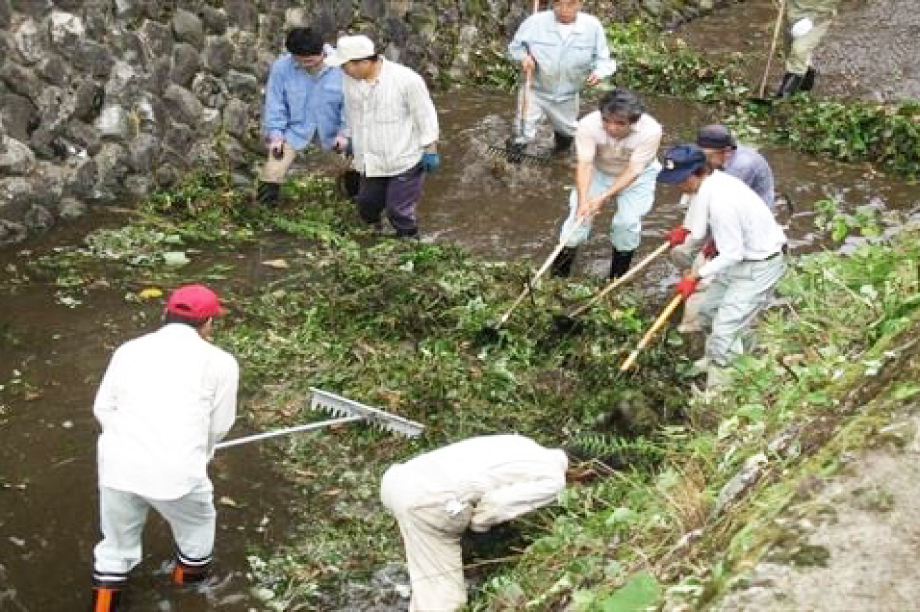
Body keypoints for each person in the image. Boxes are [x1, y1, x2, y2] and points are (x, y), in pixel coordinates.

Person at [90, 284, 239, 612]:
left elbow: (103, 408)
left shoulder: (129, 350)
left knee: (115, 548)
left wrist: (129, 440)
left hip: (116, 466)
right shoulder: (221, 362)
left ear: (164, 313)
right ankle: (187, 596)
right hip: (178, 474)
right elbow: (220, 425)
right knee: (197, 529)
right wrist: (205, 451)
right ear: (209, 323)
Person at [380, 434, 568, 611]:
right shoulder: (555, 478)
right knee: (445, 600)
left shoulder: (523, 442)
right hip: (429, 502)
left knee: (427, 574)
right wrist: (478, 531)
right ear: (585, 471)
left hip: (396, 482)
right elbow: (496, 506)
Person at [659, 145, 787, 388]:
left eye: (681, 179)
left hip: (759, 263)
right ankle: (727, 358)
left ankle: (719, 392)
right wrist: (686, 231)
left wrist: (695, 276)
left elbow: (731, 253)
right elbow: (697, 214)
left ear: (698, 172)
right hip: (739, 261)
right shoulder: (710, 183)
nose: (678, 185)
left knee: (725, 330)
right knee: (708, 314)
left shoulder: (722, 202)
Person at [325, 35, 440, 239]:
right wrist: (352, 139)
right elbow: (353, 112)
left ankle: (409, 241)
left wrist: (430, 149)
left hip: (404, 157)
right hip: (370, 157)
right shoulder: (350, 80)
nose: (342, 70)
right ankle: (374, 235)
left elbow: (425, 115)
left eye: (346, 65)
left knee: (398, 210)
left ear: (364, 62)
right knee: (367, 205)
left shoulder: (406, 80)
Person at [550, 88, 662, 278]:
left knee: (626, 224)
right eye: (606, 121)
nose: (611, 128)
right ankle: (558, 278)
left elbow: (634, 170)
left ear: (634, 121)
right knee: (578, 219)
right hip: (598, 171)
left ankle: (616, 279)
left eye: (620, 124)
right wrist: (584, 200)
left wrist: (604, 197)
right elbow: (585, 164)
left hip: (638, 176)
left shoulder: (651, 131)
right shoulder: (587, 125)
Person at [676, 124, 777, 332]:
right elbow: (695, 192)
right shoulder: (708, 164)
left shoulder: (739, 168)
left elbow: (722, 216)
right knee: (679, 252)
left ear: (725, 153)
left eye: (705, 156)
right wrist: (686, 228)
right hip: (722, 220)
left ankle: (695, 324)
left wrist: (704, 263)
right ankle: (694, 279)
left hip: (744, 228)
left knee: (703, 284)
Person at [508, 0, 616, 154]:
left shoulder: (592, 27)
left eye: (571, 4)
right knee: (522, 133)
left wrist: (599, 72)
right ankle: (513, 165)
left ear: (580, 3)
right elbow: (515, 48)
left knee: (566, 133)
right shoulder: (535, 22)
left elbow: (604, 60)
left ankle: (558, 159)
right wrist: (524, 57)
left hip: (568, 95)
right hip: (534, 90)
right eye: (559, 4)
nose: (564, 10)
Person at [258, 27, 348, 208]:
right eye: (303, 62)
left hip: (335, 130)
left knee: (354, 167)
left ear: (322, 51)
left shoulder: (343, 65)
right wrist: (276, 136)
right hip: (295, 129)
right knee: (272, 170)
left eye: (312, 61)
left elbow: (351, 105)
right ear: (293, 56)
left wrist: (344, 133)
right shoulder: (282, 67)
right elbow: (275, 104)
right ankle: (265, 213)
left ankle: (353, 207)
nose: (309, 65)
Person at [695, 124, 775, 210]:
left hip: (756, 212)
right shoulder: (722, 154)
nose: (704, 159)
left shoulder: (741, 166)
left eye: (708, 156)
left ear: (727, 152)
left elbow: (722, 200)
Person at [776, 0, 843, 98]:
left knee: (799, 49)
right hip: (793, 15)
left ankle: (784, 95)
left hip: (817, 19)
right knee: (789, 51)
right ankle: (806, 81)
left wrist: (812, 19)